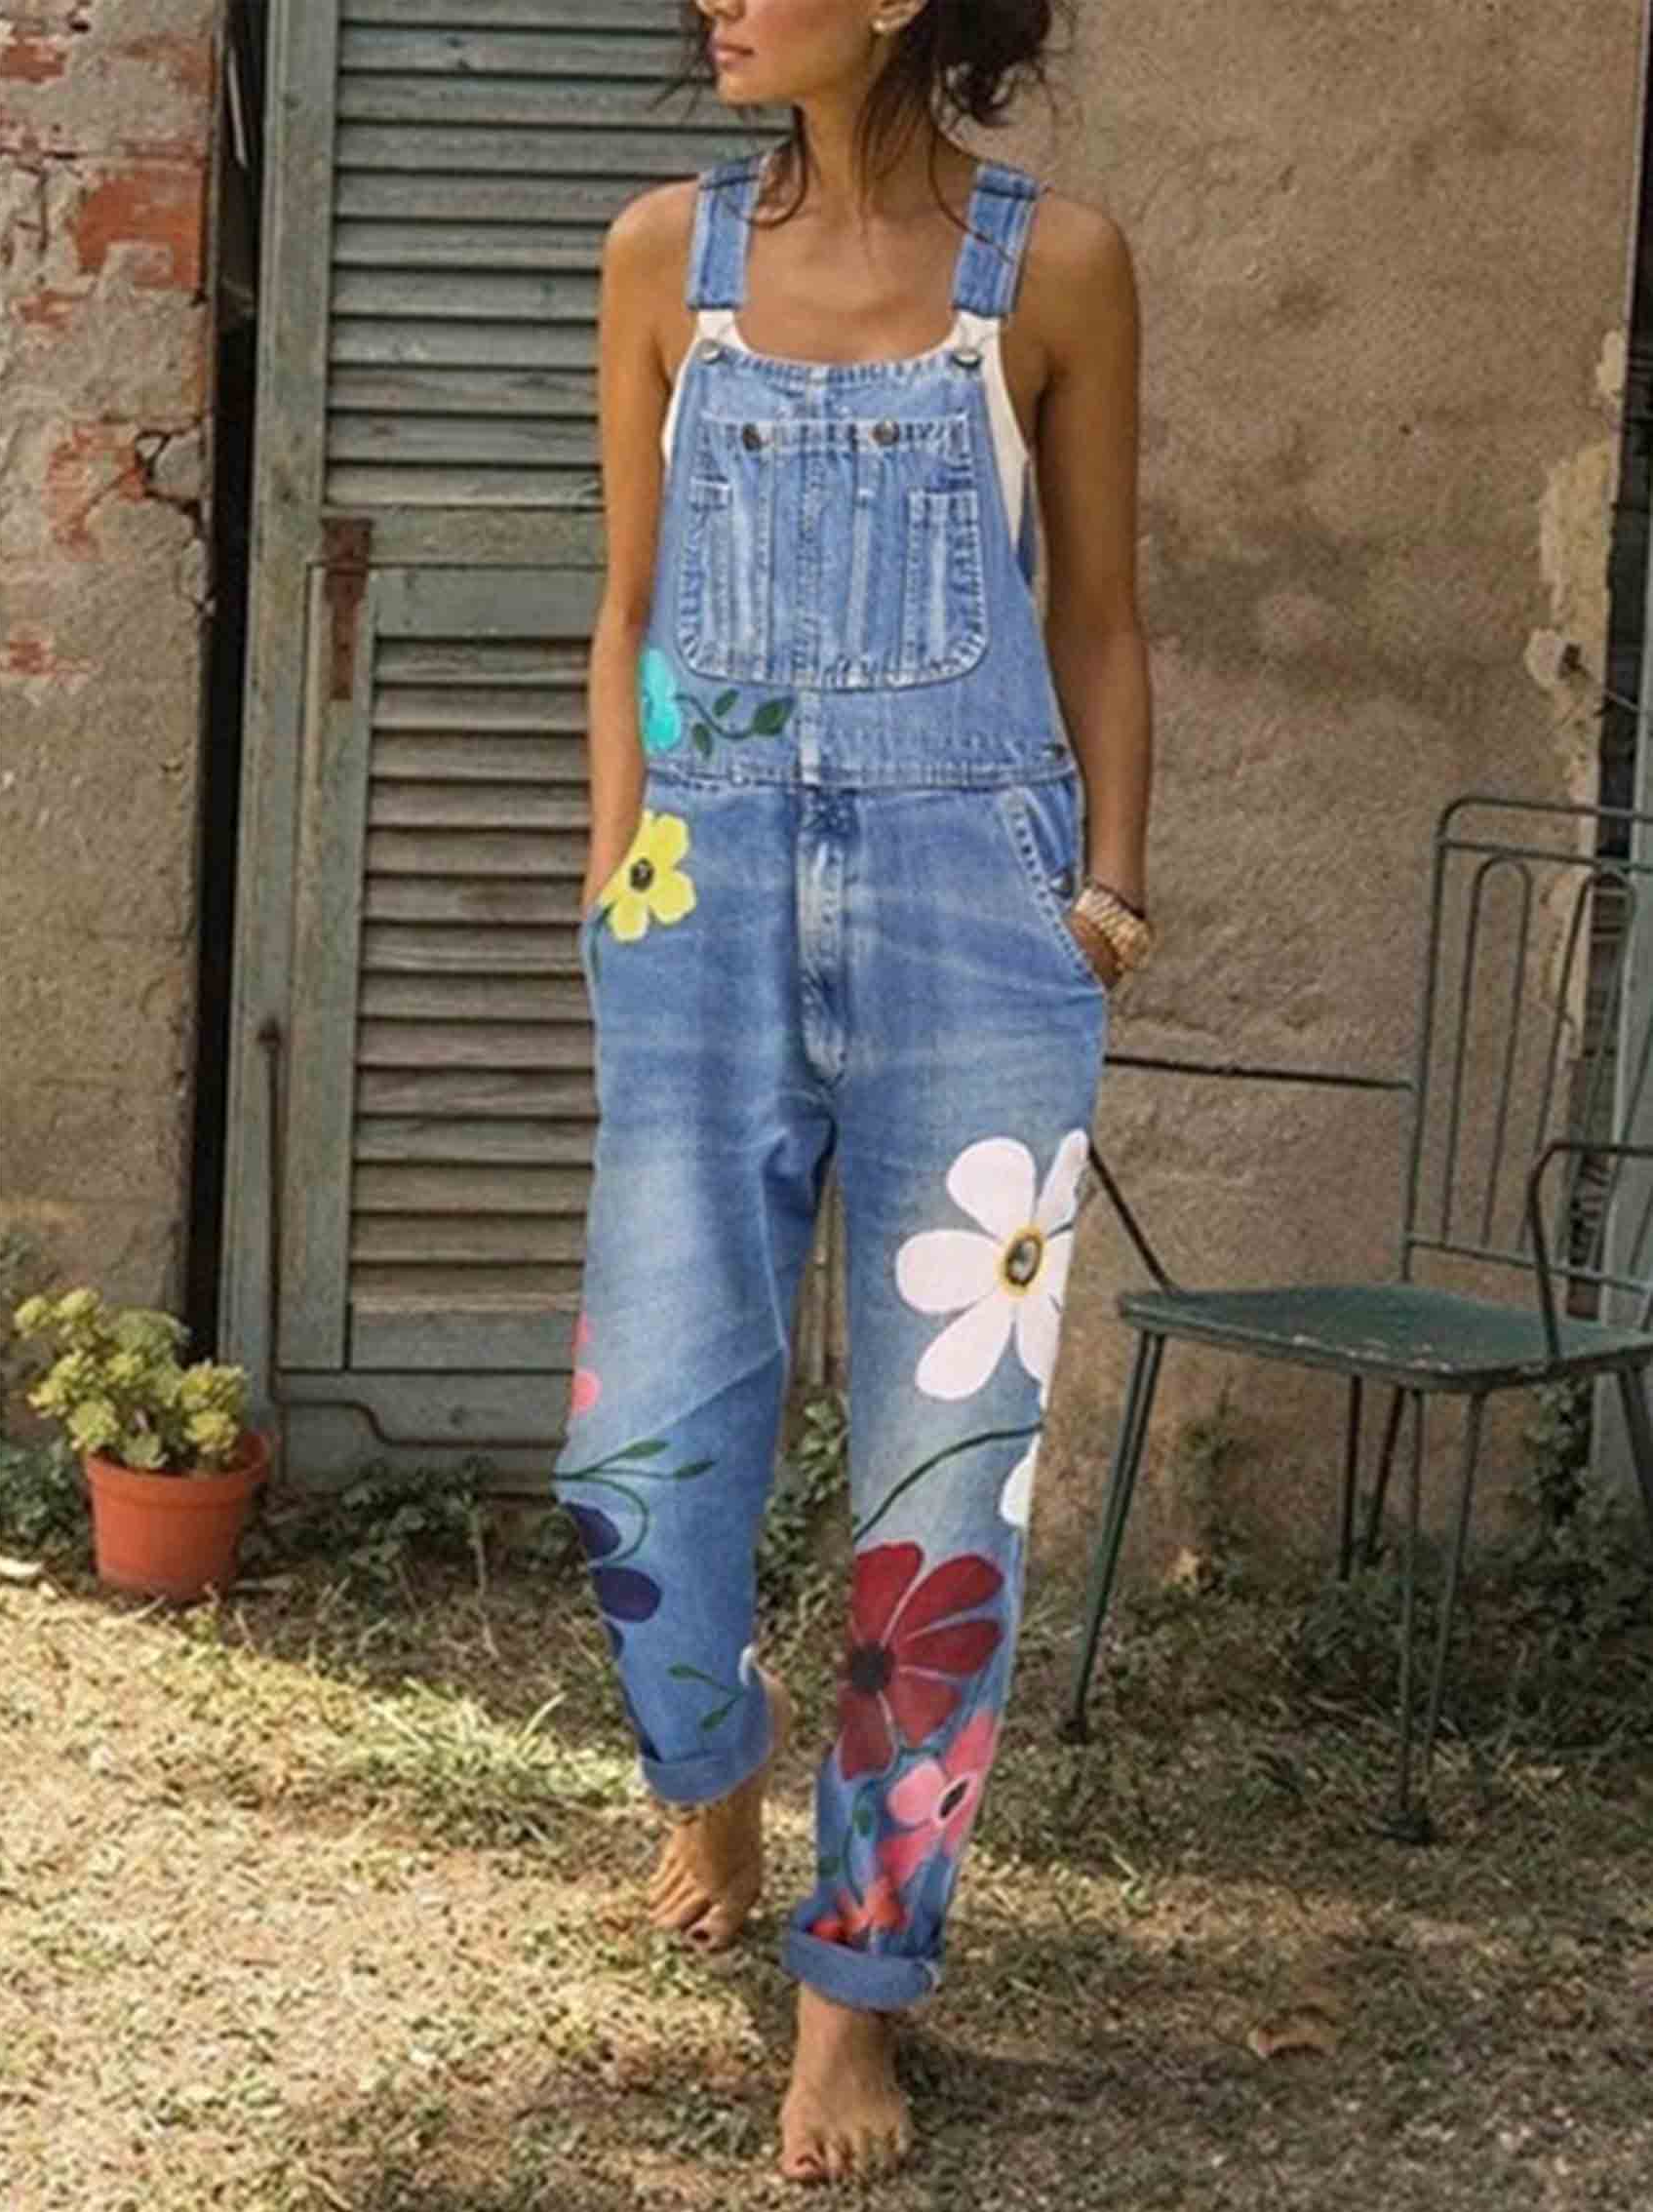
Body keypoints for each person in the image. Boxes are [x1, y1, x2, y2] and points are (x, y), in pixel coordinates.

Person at [552, 0, 1153, 2184]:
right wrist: (620, 874)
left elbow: (1101, 617)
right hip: (698, 911)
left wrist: (1107, 886)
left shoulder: (1053, 266)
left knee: (938, 1502)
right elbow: (628, 611)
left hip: (970, 928)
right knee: (634, 1463)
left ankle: (853, 2000)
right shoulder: (663, 257)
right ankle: (712, 1768)